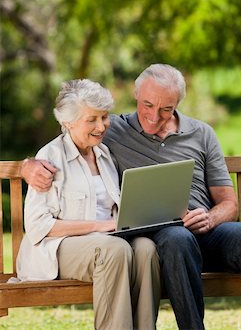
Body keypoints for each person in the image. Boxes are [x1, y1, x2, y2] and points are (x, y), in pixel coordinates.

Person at [21, 65, 241, 330]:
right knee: (177, 240)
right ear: (136, 95)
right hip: (164, 235)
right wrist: (27, 166)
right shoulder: (113, 130)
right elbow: (72, 138)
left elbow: (229, 203)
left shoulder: (201, 133)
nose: (154, 116)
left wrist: (210, 217)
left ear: (178, 102)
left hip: (206, 230)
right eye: (147, 106)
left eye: (166, 108)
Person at [17, 79, 161, 330]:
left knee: (146, 249)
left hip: (109, 242)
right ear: (67, 122)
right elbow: (38, 226)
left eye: (104, 117)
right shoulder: (50, 157)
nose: (101, 126)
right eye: (91, 119)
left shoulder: (105, 156)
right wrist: (101, 225)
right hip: (58, 250)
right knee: (113, 250)